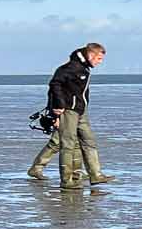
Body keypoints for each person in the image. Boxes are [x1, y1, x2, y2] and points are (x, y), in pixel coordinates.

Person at [46, 43, 109, 188]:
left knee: (89, 141)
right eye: (99, 58)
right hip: (68, 110)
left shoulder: (83, 68)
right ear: (91, 55)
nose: (100, 62)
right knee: (67, 144)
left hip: (81, 110)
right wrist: (57, 107)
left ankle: (96, 175)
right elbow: (55, 85)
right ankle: (66, 180)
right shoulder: (69, 68)